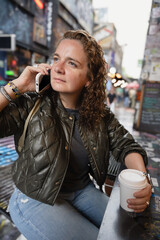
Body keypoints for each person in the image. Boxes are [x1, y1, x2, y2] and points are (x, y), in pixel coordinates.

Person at [0, 30, 152, 240]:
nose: (58, 68)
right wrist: (18, 86)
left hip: (81, 190)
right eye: (56, 59)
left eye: (71, 63)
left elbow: (126, 145)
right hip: (34, 198)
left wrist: (142, 179)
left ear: (89, 79)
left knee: (129, 235)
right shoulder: (32, 102)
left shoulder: (99, 114)